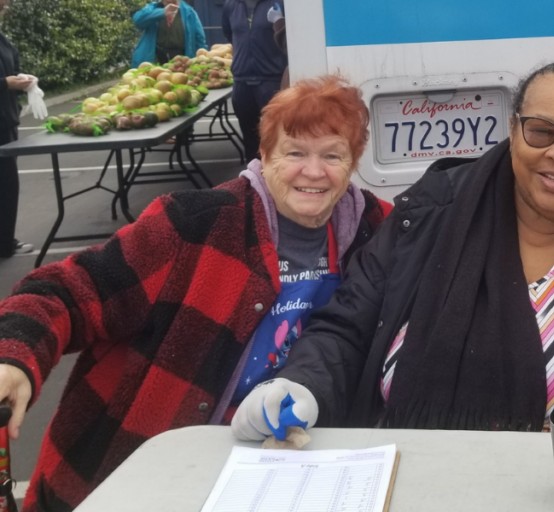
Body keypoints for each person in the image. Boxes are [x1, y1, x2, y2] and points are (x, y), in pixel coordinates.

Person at [232, 60, 554, 441]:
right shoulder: (431, 212)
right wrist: (302, 386)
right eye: (542, 131)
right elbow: (347, 327)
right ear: (513, 131)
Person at [0, 76, 391, 512]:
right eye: (294, 153)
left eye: (332, 155)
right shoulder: (193, 225)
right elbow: (65, 290)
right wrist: (14, 358)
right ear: (263, 156)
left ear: (353, 162)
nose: (313, 172)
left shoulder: (377, 231)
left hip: (293, 467)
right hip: (148, 467)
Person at [222, 0, 288, 162]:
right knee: (249, 136)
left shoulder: (280, 3)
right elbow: (230, 34)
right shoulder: (231, 5)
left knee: (277, 134)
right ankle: (253, 178)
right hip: (242, 81)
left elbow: (289, 39)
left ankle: (278, 178)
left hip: (271, 80)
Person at [0, 0, 32, 258]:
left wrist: (23, 80)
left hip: (6, 120)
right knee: (6, 183)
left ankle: (5, 241)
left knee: (8, 186)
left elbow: (12, 66)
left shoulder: (3, 39)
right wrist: (5, 84)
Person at [130, 0, 208, 67]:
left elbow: (200, 40)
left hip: (180, 60)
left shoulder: (190, 13)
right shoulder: (153, 8)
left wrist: (202, 60)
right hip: (156, 58)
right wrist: (162, 12)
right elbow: (138, 20)